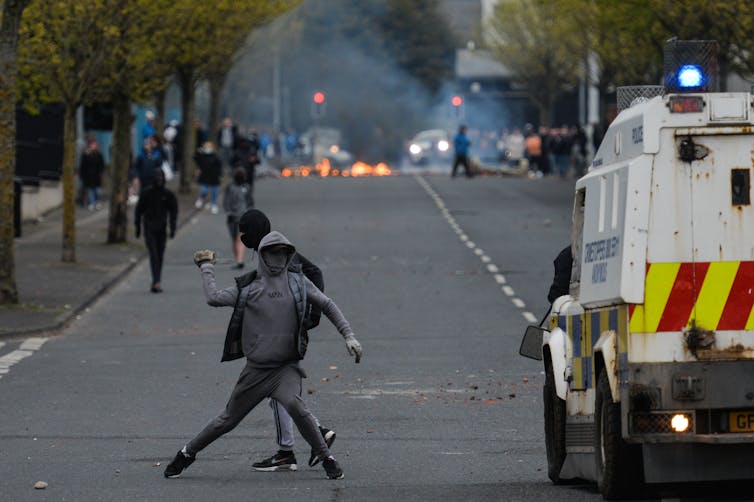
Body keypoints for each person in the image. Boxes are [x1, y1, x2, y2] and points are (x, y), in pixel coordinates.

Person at [163, 231, 363, 480]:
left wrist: (349, 335)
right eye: (272, 252)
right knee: (226, 420)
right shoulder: (249, 287)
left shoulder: (297, 282)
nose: (278, 258)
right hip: (256, 371)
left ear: (289, 254)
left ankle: (327, 459)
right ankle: (186, 454)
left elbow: (327, 304)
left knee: (296, 407)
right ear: (262, 255)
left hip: (285, 369)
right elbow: (214, 298)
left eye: (283, 252)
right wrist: (206, 266)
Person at [235, 208, 337, 472]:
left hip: (287, 332)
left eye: (245, 232)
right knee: (281, 392)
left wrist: (309, 315)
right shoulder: (270, 249)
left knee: (280, 392)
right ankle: (309, 437)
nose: (242, 238)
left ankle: (288, 451)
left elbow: (313, 275)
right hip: (280, 331)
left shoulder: (277, 253)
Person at [134, 169, 178, 293]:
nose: (159, 180)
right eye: (157, 177)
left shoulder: (168, 194)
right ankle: (156, 281)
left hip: (162, 228)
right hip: (149, 227)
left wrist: (173, 227)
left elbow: (173, 211)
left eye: (161, 177)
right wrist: (137, 227)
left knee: (159, 254)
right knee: (153, 253)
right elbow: (139, 211)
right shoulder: (147, 193)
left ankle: (157, 280)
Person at [222, 168, 254, 269]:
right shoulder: (230, 187)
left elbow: (250, 201)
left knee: (239, 239)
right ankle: (238, 260)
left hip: (242, 217)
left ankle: (240, 260)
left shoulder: (246, 187)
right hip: (232, 217)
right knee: (234, 239)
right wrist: (229, 211)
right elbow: (226, 201)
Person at [194, 141, 222, 213]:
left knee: (214, 192)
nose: (208, 148)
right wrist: (198, 152)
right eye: (206, 147)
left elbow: (219, 166)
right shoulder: (202, 156)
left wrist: (219, 174)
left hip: (214, 177)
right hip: (204, 176)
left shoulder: (216, 157)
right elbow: (195, 159)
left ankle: (214, 204)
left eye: (209, 147)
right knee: (204, 190)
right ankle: (201, 198)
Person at [79, 137, 105, 211]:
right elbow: (83, 166)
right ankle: (92, 203)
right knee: (91, 190)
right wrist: (83, 175)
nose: (94, 146)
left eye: (95, 145)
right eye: (93, 145)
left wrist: (101, 172)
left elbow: (102, 164)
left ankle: (96, 202)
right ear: (90, 145)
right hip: (89, 176)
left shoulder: (99, 154)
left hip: (96, 175)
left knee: (97, 190)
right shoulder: (86, 154)